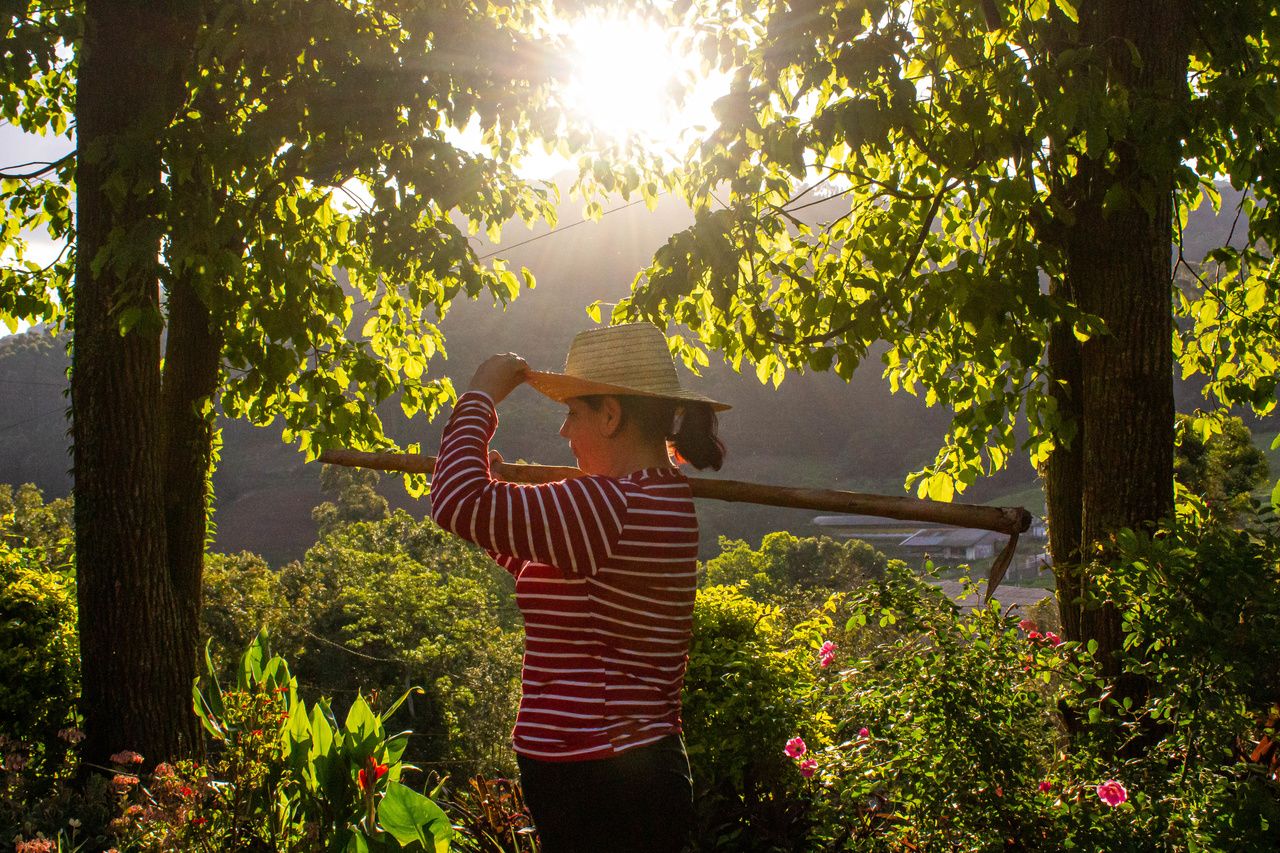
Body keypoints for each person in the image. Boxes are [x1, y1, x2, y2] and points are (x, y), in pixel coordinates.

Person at [428, 323, 730, 853]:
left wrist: (480, 395)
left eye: (573, 413)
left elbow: (456, 501)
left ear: (610, 415)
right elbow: (547, 568)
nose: (564, 431)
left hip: (603, 778)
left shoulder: (608, 506)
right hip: (619, 771)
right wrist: (498, 510)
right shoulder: (652, 497)